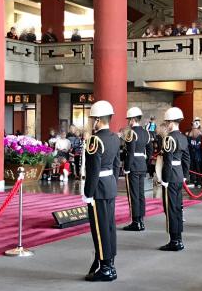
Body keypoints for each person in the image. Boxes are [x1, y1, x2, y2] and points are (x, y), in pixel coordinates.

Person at [83, 100, 120, 282]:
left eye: (92, 119)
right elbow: (116, 165)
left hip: (98, 189)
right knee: (110, 226)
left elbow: (93, 170)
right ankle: (108, 262)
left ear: (98, 120)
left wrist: (88, 193)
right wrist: (112, 182)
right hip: (110, 185)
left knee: (100, 228)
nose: (92, 123)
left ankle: (105, 268)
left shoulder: (95, 140)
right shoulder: (114, 138)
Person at [159, 107, 190, 251]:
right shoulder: (183, 137)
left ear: (171, 123)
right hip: (179, 176)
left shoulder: (169, 138)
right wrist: (184, 175)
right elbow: (186, 158)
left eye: (167, 122)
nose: (166, 124)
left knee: (171, 209)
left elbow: (168, 161)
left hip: (170, 176)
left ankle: (174, 241)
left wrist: (164, 179)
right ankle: (179, 238)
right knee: (178, 208)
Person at [123, 107, 153, 231]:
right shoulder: (146, 132)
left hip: (134, 166)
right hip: (142, 165)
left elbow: (130, 152)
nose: (128, 121)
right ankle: (141, 220)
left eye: (129, 119)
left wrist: (127, 168)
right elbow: (150, 150)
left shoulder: (131, 133)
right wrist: (145, 161)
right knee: (141, 194)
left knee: (134, 194)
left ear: (133, 119)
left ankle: (136, 221)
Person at [187, 120, 202, 187]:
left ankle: (200, 182)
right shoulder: (189, 136)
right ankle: (193, 181)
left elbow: (198, 146)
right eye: (193, 129)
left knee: (198, 169)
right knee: (192, 168)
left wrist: (192, 146)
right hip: (191, 155)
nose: (194, 130)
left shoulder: (200, 136)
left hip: (198, 155)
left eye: (195, 129)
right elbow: (188, 145)